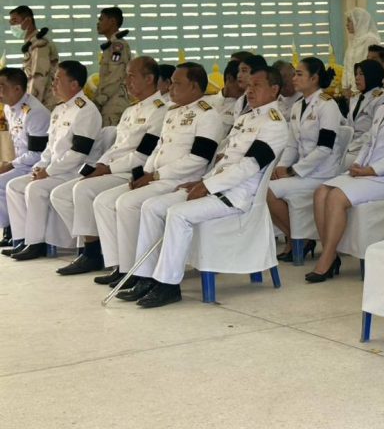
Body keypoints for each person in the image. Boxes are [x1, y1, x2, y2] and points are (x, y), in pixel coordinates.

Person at [124, 64, 290, 308]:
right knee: (152, 206)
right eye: (249, 85)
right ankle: (145, 277)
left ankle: (168, 285)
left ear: (274, 89)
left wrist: (208, 186)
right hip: (215, 187)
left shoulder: (273, 123)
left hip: (236, 197)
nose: (250, 90)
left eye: (257, 85)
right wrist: (203, 181)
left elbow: (248, 167)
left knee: (177, 214)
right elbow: (224, 160)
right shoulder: (246, 117)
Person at [92, 63, 225, 289]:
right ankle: (122, 267)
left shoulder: (208, 115)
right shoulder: (172, 112)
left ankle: (141, 273)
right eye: (171, 83)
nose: (170, 88)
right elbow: (158, 148)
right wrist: (145, 172)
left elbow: (199, 159)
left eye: (177, 83)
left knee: (128, 203)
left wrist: (155, 175)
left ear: (194, 86)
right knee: (103, 201)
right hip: (157, 177)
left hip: (179, 181)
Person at [306, 58, 384, 283]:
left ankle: (327, 258)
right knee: (321, 192)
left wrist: (372, 170)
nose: (383, 81)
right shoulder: (383, 107)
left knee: (336, 197)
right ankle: (331, 254)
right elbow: (369, 142)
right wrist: (359, 165)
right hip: (369, 173)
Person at [49, 57, 169, 275]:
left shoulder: (160, 111)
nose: (126, 81)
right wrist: (101, 164)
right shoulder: (130, 110)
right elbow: (116, 147)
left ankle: (92, 254)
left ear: (149, 79)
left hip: (131, 172)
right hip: (112, 167)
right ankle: (97, 246)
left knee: (83, 189)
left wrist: (107, 169)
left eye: (131, 76)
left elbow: (143, 154)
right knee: (60, 194)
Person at [5, 61, 101, 261]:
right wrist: (40, 166)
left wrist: (48, 172)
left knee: (35, 188)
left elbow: (78, 153)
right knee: (14, 186)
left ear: (74, 84)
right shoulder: (59, 110)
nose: (53, 83)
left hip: (74, 171)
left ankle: (37, 244)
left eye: (58, 79)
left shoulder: (86, 110)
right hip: (54, 169)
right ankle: (22, 239)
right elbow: (50, 147)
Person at [267, 57, 343, 261]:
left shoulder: (328, 105)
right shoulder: (298, 106)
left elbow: (324, 148)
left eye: (299, 74)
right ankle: (297, 238)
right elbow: (292, 144)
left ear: (314, 78)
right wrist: (281, 167)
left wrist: (292, 170)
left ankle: (297, 239)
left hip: (321, 174)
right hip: (303, 173)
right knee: (265, 187)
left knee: (268, 192)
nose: (294, 78)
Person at [0, 68, 50, 248]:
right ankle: (10, 229)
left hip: (37, 166)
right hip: (23, 163)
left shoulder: (35, 112)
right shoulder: (9, 108)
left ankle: (16, 232)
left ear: (17, 89)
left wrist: (10, 165)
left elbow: (38, 153)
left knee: (3, 183)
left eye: (2, 86)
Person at [9, 5, 59, 109]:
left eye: (15, 21)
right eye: (11, 22)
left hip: (44, 104)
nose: (12, 26)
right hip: (39, 103)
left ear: (27, 20)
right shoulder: (31, 43)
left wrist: (29, 108)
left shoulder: (39, 44)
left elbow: (38, 78)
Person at [341, 59, 384, 169]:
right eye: (356, 74)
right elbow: (349, 125)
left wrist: (350, 147)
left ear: (371, 75)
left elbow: (374, 132)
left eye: (361, 74)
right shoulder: (356, 97)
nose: (357, 78)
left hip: (364, 149)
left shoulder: (382, 98)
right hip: (349, 147)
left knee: (333, 165)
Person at [93, 6, 132, 126]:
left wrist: (99, 100)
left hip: (114, 103)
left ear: (112, 21)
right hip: (108, 102)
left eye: (101, 19)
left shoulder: (117, 45)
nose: (98, 23)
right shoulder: (110, 45)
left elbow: (115, 76)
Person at [342, 7, 381, 98]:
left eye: (349, 21)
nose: (346, 24)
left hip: (365, 90)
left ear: (359, 21)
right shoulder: (353, 40)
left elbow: (368, 68)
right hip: (350, 91)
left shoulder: (370, 40)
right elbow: (347, 66)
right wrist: (345, 87)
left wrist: (355, 89)